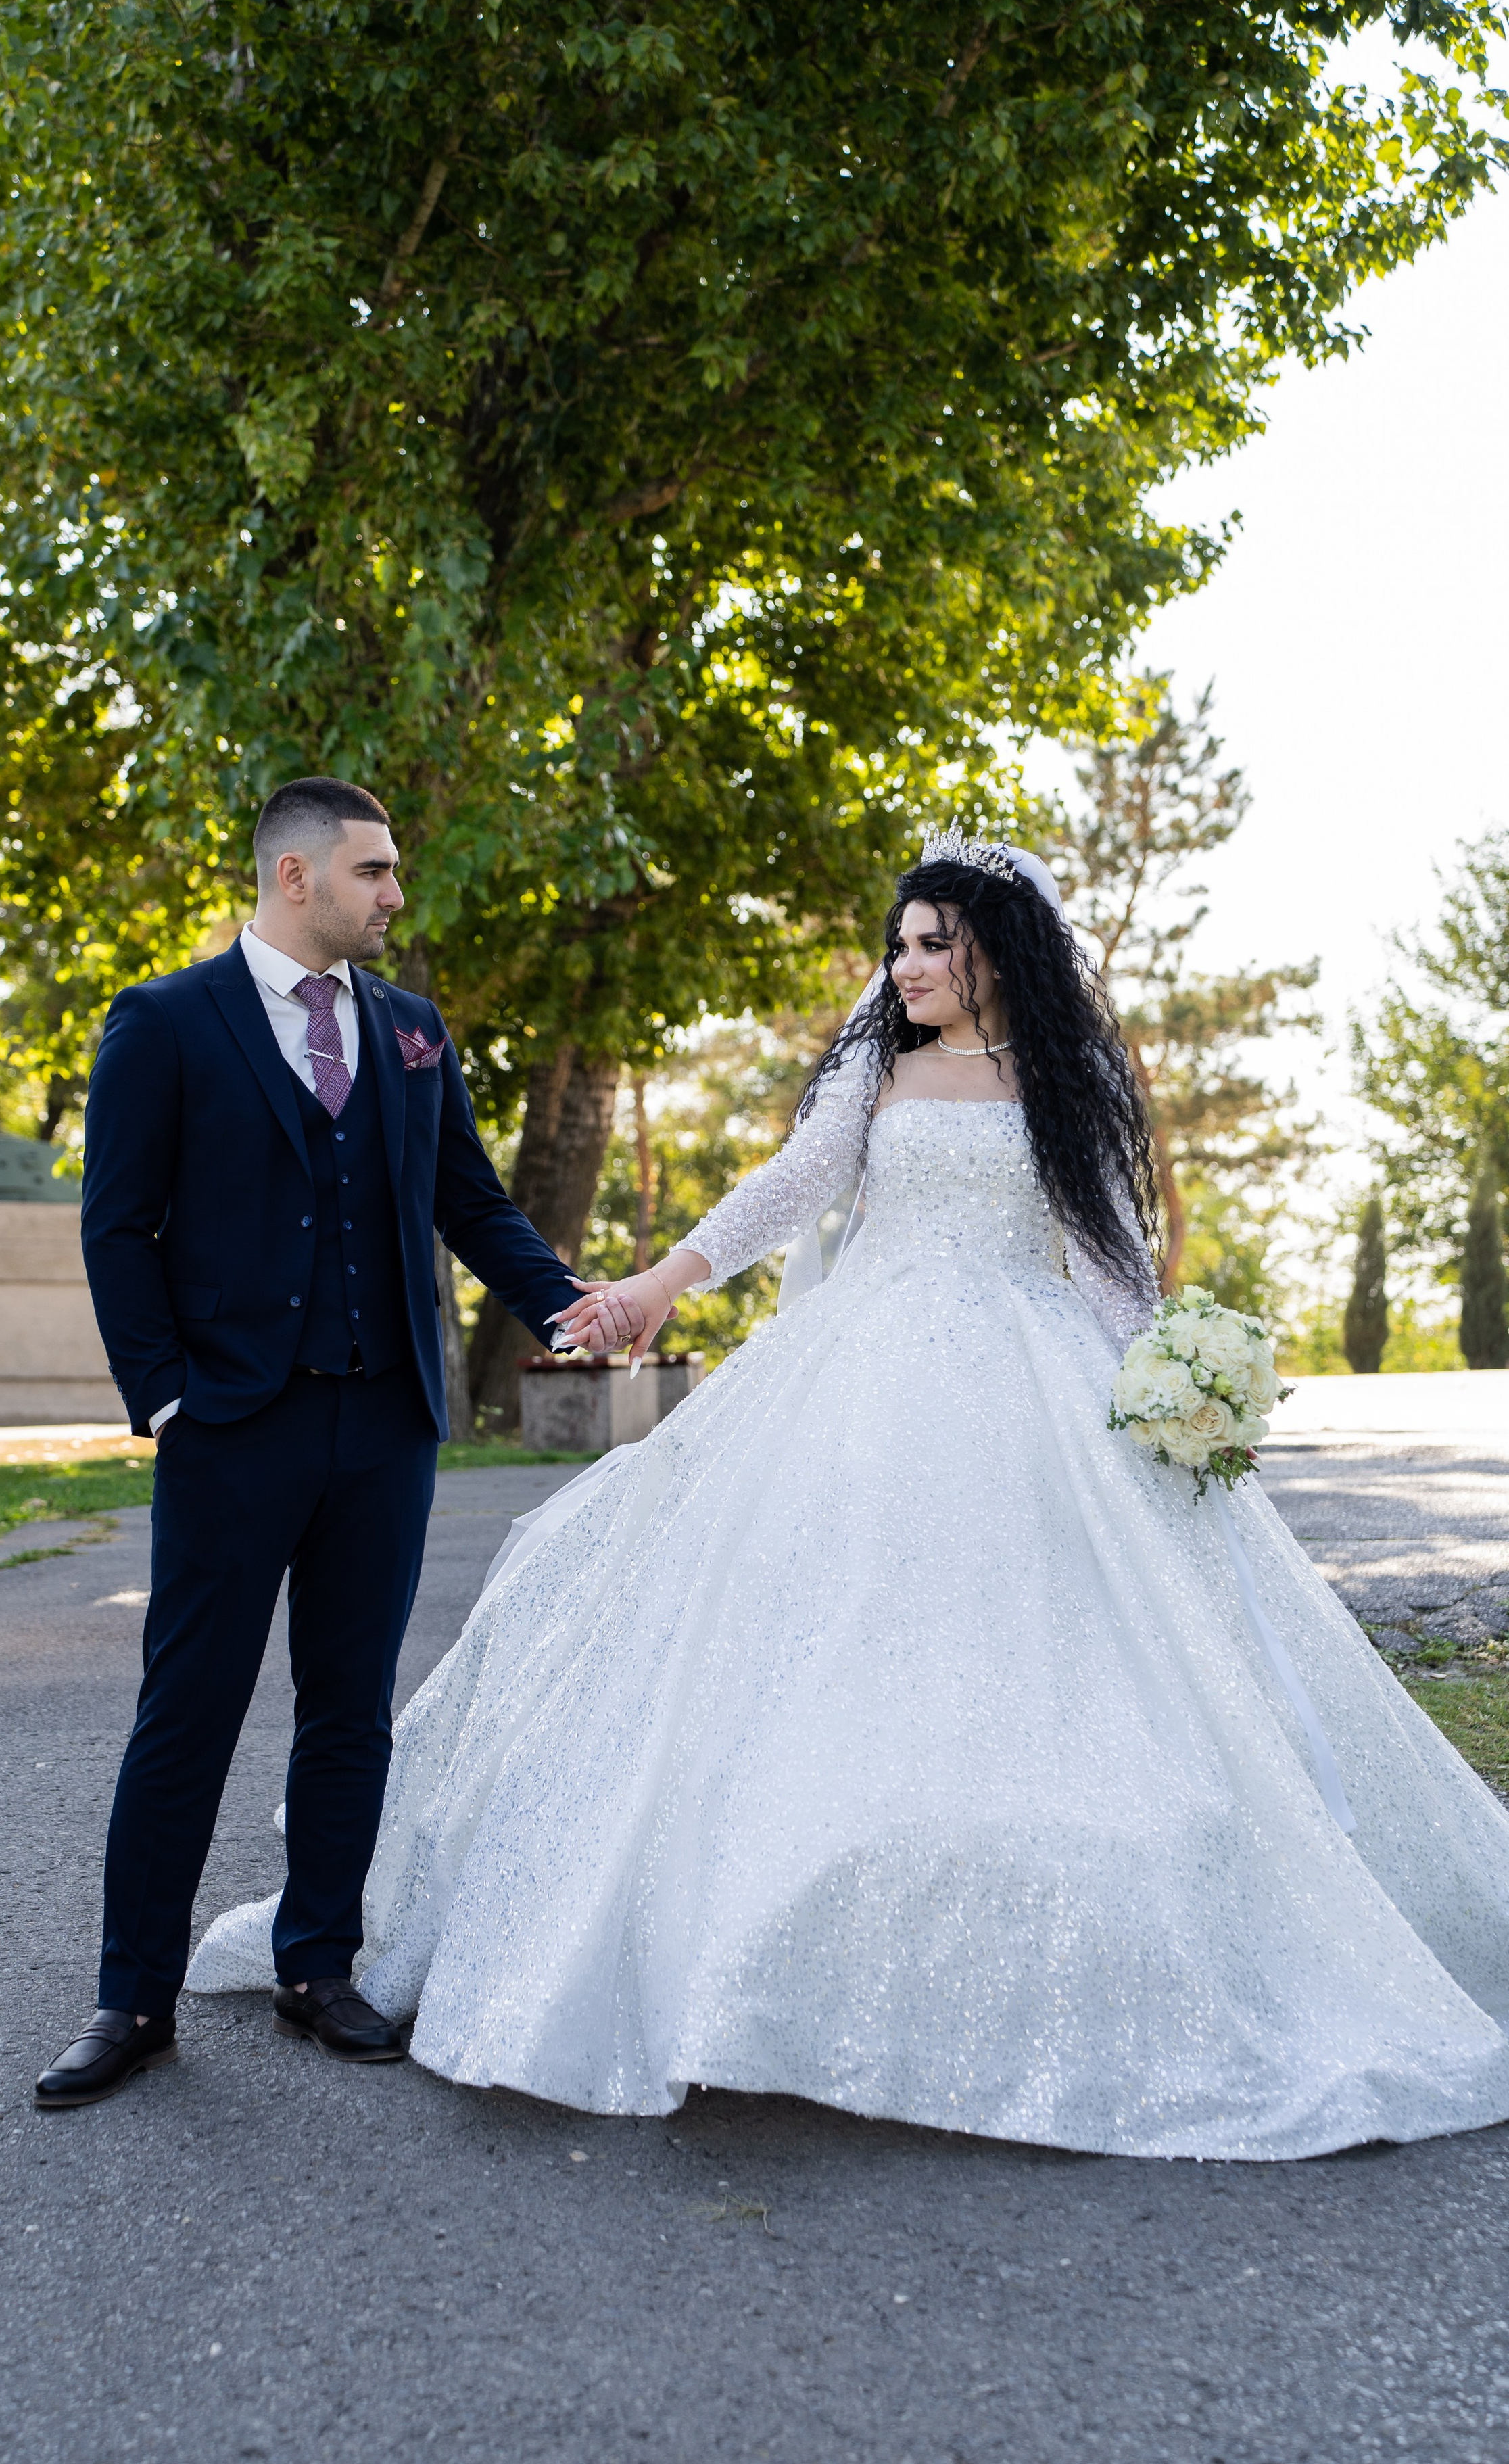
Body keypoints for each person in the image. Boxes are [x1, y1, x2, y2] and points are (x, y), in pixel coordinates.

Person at [189, 831, 1509, 2160]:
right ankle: (749, 1962)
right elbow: (793, 1185)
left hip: (1024, 1375)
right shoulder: (878, 1064)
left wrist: (1164, 1388)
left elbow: (1110, 1252)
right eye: (902, 942)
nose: (909, 964)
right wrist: (655, 1285)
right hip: (855, 1375)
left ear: (1000, 953)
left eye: (939, 942)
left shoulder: (1065, 1071)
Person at [34, 778, 588, 2108]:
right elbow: (119, 1225)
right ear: (296, 878)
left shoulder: (408, 1029)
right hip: (231, 1426)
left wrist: (568, 1305)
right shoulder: (165, 1023)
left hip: (383, 1424)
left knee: (349, 1712)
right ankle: (131, 1999)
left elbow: (469, 1200)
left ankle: (316, 1966)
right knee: (190, 1713)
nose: (396, 894)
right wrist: (163, 1396)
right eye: (375, 872)